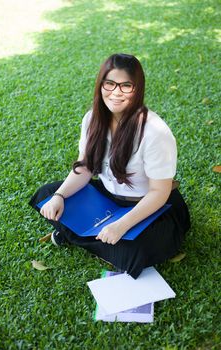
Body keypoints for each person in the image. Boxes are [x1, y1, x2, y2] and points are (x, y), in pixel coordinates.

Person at [29, 53, 190, 279]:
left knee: (135, 254)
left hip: (149, 208)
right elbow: (84, 167)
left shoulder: (155, 131)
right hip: (107, 197)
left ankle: (73, 235)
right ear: (101, 84)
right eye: (110, 84)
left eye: (126, 86)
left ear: (137, 89)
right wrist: (60, 195)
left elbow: (159, 192)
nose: (116, 92)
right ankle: (93, 239)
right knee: (44, 197)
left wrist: (121, 226)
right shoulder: (92, 118)